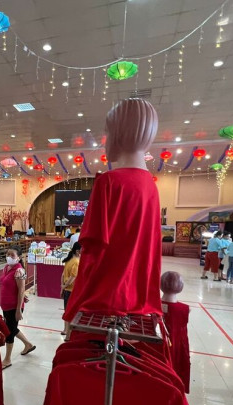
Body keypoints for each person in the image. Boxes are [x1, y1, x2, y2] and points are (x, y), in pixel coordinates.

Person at [62, 99, 162, 325]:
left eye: (107, 133)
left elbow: (92, 251)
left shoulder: (109, 182)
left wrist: (76, 301)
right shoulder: (150, 185)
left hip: (104, 298)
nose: (105, 140)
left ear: (118, 133)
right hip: (138, 297)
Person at [0, 247, 35, 369]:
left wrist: (19, 309)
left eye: (12, 255)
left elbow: (21, 290)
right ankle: (28, 344)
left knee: (9, 332)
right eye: (7, 254)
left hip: (14, 306)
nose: (9, 257)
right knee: (12, 328)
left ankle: (7, 359)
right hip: (5, 304)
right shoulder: (6, 268)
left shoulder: (20, 271)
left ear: (19, 258)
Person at [161, 271, 191, 393]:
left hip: (162, 344)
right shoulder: (185, 309)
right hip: (178, 344)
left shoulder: (154, 305)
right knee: (176, 366)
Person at [61, 242, 81, 339]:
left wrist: (62, 287)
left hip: (67, 290)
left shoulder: (69, 260)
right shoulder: (77, 262)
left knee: (66, 311)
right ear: (78, 251)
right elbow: (73, 277)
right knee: (71, 313)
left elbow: (63, 275)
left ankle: (65, 330)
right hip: (72, 290)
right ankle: (68, 336)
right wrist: (65, 286)